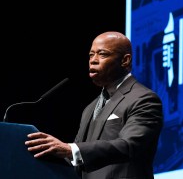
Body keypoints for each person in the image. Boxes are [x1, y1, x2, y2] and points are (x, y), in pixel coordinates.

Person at [25, 31, 164, 179]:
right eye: (91, 55)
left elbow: (129, 145)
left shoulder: (144, 99)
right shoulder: (90, 108)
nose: (93, 60)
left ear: (125, 60)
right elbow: (75, 159)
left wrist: (69, 149)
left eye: (102, 54)